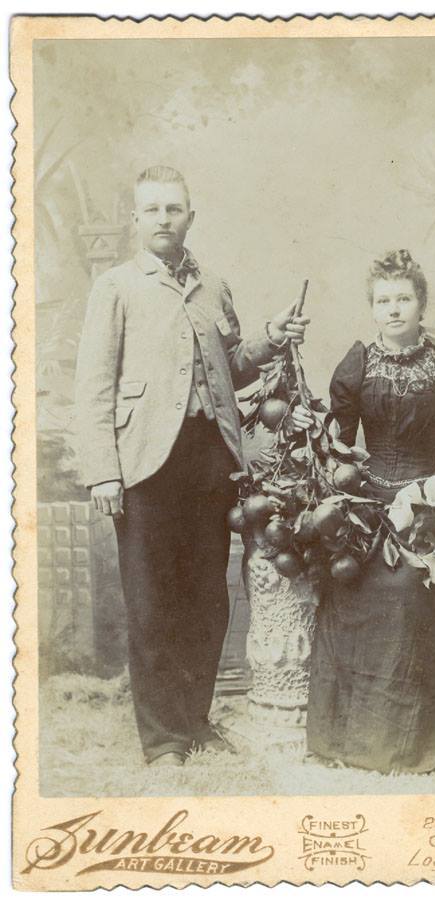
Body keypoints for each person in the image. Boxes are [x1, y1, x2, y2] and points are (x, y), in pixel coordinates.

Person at [74, 166, 308, 767]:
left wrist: (270, 337)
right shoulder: (116, 287)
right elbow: (93, 385)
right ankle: (163, 741)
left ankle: (196, 722)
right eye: (152, 209)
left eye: (173, 209)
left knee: (207, 598)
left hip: (211, 459)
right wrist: (103, 471)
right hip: (145, 462)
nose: (163, 219)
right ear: (136, 219)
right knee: (153, 601)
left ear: (190, 218)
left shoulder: (213, 288)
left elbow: (232, 367)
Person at [294, 249, 435, 775]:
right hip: (368, 505)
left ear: (421, 304)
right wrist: (313, 431)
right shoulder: (356, 365)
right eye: (383, 301)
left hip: (431, 503)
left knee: (421, 588)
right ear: (372, 308)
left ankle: (431, 731)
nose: (393, 309)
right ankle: (358, 730)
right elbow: (337, 451)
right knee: (360, 585)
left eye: (403, 298)